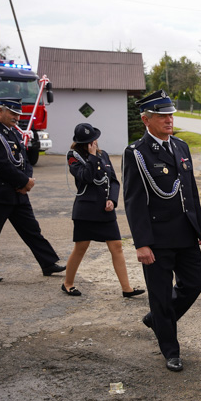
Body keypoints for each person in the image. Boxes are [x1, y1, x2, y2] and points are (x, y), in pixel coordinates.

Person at [122, 90, 201, 372]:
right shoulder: (137, 153)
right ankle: (170, 349)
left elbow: (191, 191)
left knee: (194, 284)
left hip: (185, 233)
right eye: (162, 116)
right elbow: (134, 201)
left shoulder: (181, 147)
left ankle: (158, 320)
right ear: (147, 120)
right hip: (157, 238)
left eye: (170, 114)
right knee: (160, 295)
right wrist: (142, 243)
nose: (169, 119)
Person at [0, 98, 65, 282]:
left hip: (18, 193)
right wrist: (23, 182)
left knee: (32, 229)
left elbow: (24, 159)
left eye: (18, 114)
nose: (16, 117)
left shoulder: (13, 132)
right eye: (12, 113)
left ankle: (47, 262)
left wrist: (27, 180)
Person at [61, 123, 144, 298]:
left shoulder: (103, 155)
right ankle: (67, 283)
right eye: (90, 141)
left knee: (117, 246)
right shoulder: (73, 156)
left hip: (105, 210)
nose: (94, 143)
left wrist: (112, 200)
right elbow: (86, 177)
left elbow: (113, 181)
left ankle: (126, 288)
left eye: (94, 139)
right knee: (81, 248)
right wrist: (91, 157)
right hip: (86, 210)